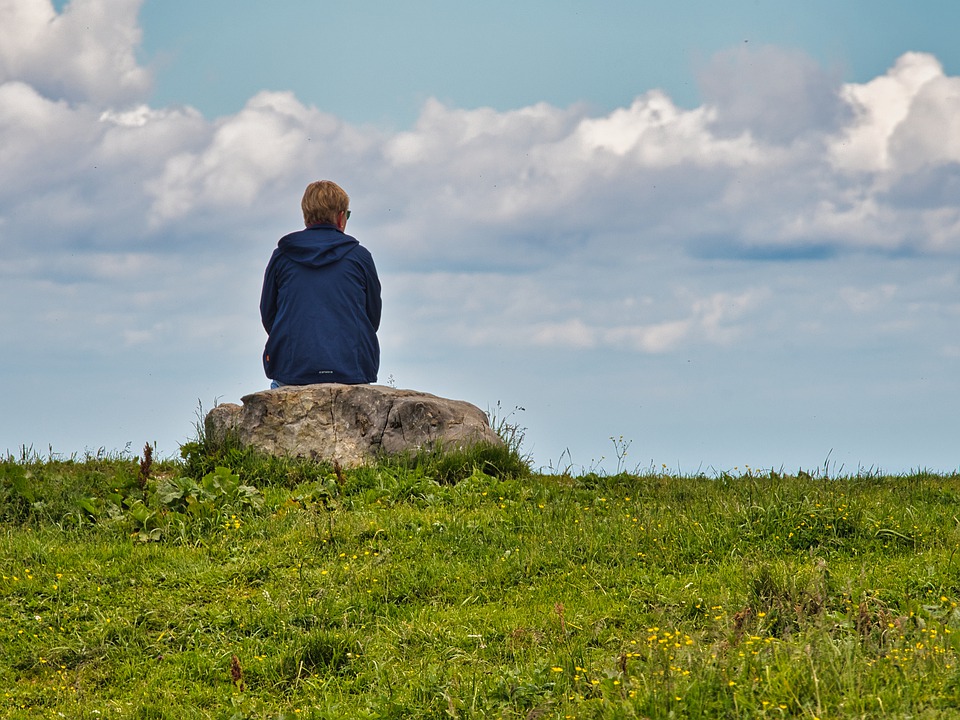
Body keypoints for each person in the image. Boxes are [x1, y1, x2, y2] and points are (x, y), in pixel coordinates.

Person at [260, 180, 381, 387]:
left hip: (292, 372)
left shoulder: (282, 257)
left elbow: (268, 314)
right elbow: (372, 317)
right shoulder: (360, 257)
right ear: (341, 217)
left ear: (306, 216)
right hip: (351, 371)